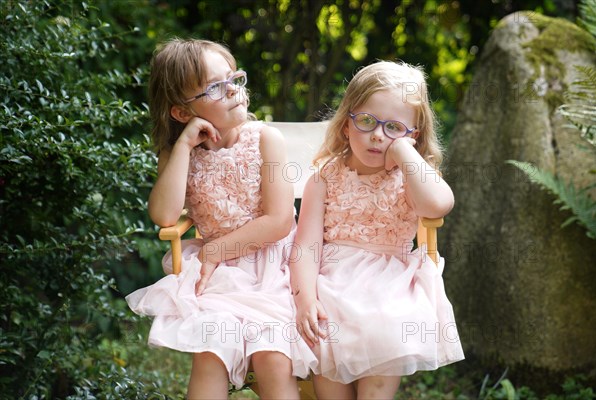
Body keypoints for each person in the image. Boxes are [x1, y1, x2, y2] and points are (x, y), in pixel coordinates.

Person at [126, 38, 313, 400]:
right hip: (220, 278)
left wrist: (214, 253)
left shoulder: (265, 139)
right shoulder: (180, 151)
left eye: (234, 79)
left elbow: (279, 221)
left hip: (274, 266)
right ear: (182, 113)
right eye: (215, 87)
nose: (233, 92)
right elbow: (164, 215)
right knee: (210, 352)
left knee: (272, 359)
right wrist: (182, 146)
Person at [290, 60, 465, 399]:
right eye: (367, 121)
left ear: (414, 136)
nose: (377, 135)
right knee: (326, 346)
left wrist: (403, 154)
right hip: (331, 284)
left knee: (387, 327)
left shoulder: (412, 177)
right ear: (346, 125)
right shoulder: (324, 179)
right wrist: (305, 299)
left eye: (395, 129)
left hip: (390, 287)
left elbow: (439, 205)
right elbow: (305, 248)